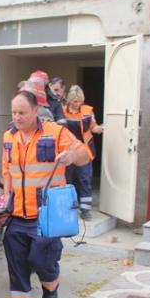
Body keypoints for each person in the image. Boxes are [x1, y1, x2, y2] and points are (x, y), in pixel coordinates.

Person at [1, 90, 90, 298]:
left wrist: (71, 156)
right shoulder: (9, 136)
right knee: (16, 261)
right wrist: (5, 196)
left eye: (22, 112)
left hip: (46, 214)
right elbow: (7, 169)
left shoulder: (55, 132)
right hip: (17, 213)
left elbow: (85, 154)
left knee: (41, 258)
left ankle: (51, 283)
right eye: (14, 112)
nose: (17, 117)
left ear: (35, 111)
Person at [62, 85, 103, 220]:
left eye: (80, 101)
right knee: (67, 180)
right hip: (68, 151)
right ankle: (68, 207)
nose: (78, 104)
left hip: (84, 152)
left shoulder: (88, 110)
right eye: (75, 101)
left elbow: (93, 126)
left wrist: (98, 129)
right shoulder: (62, 111)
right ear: (69, 100)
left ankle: (85, 210)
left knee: (85, 180)